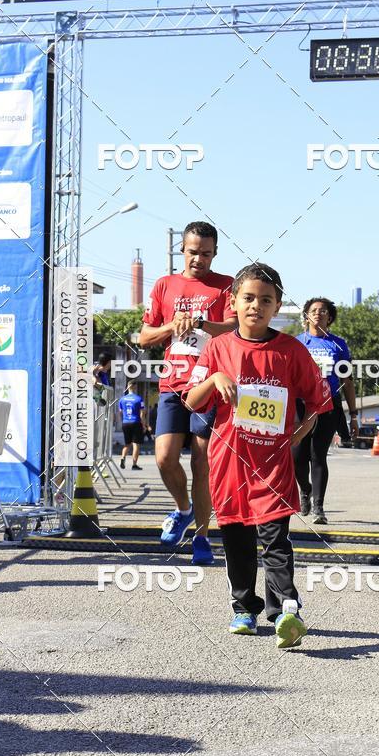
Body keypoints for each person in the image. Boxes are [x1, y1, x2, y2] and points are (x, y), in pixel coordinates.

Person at [184, 263, 332, 648]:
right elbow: (190, 400)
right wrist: (215, 379)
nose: (256, 306)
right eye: (248, 298)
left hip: (273, 464)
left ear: (278, 305)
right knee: (237, 538)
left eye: (265, 300)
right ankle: (244, 607)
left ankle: (286, 609)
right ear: (233, 303)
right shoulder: (218, 347)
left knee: (276, 538)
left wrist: (295, 437)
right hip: (230, 462)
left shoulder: (292, 351)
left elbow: (317, 403)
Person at [139, 221, 237, 566]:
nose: (200, 259)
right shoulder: (165, 285)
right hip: (172, 383)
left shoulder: (225, 286)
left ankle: (202, 538)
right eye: (194, 252)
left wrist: (200, 323)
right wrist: (172, 325)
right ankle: (184, 510)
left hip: (208, 383)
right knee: (164, 457)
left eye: (207, 254)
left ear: (215, 253)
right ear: (182, 250)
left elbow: (234, 328)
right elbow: (144, 337)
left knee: (202, 464)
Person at [293, 297, 358, 524]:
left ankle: (319, 508)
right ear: (307, 315)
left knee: (317, 455)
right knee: (297, 456)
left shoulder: (338, 345)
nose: (318, 314)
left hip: (328, 404)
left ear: (329, 317)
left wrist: (354, 414)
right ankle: (305, 490)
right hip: (300, 405)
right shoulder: (297, 343)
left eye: (323, 311)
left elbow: (347, 381)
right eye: (313, 310)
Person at [119, 382, 146, 470]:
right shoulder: (139, 399)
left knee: (127, 444)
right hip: (136, 423)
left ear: (128, 387)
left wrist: (123, 421)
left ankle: (123, 457)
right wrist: (144, 425)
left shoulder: (122, 399)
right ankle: (134, 464)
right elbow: (142, 414)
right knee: (136, 444)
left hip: (125, 422)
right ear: (135, 387)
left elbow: (120, 412)